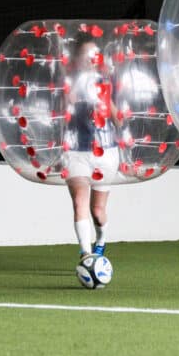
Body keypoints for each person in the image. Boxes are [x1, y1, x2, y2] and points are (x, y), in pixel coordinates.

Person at [63, 38, 121, 266]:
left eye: (93, 55)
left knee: (97, 211)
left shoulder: (103, 83)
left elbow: (117, 118)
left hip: (105, 152)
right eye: (84, 56)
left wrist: (105, 107)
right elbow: (59, 117)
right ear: (77, 60)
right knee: (80, 201)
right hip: (77, 152)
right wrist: (68, 101)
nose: (89, 60)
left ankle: (102, 239)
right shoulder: (66, 84)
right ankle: (86, 255)